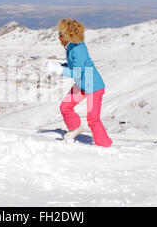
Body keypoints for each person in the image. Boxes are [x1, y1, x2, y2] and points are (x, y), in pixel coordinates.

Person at [43, 19, 113, 147]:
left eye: (61, 34)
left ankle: (104, 146)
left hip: (92, 85)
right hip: (83, 84)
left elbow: (76, 72)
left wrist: (58, 69)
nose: (58, 37)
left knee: (93, 119)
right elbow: (73, 65)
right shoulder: (72, 46)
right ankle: (75, 128)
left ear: (68, 35)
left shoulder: (78, 49)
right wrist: (58, 65)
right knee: (65, 107)